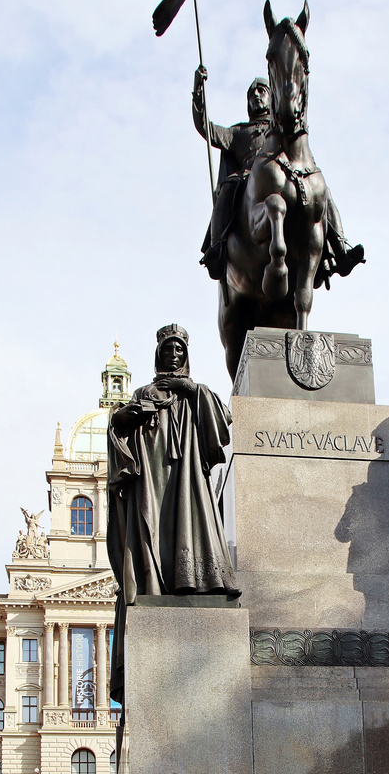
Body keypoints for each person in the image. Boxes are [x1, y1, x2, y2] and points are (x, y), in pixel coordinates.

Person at [107, 324, 241, 703]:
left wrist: (191, 391)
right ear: (159, 355)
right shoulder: (144, 392)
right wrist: (126, 417)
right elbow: (118, 431)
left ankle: (193, 579)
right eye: (168, 349)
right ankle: (156, 582)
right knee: (153, 528)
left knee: (190, 525)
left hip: (186, 477)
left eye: (179, 349)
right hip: (151, 476)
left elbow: (223, 421)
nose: (175, 355)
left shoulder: (196, 391)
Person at [193, 67, 272, 280]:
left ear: (272, 97)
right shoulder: (238, 132)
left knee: (317, 186)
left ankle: (337, 246)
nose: (256, 95)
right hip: (248, 179)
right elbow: (205, 128)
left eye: (262, 91)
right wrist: (198, 89)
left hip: (282, 174)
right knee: (228, 186)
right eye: (252, 94)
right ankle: (217, 247)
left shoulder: (281, 128)